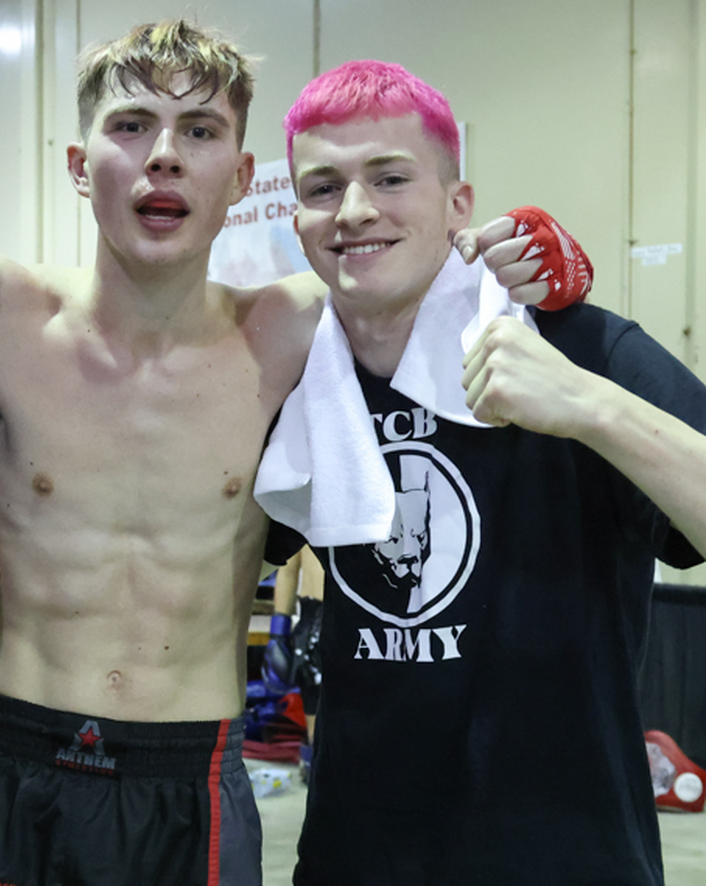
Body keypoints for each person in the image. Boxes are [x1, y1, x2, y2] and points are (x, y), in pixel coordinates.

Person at [0, 22, 573, 886]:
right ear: (80, 166)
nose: (165, 157)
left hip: (191, 782)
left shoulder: (294, 327)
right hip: (10, 764)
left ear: (241, 178)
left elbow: (446, 270)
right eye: (132, 125)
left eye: (201, 131)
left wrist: (546, 263)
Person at [253, 59, 706, 885]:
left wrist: (590, 404)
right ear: (298, 217)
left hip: (571, 862)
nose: (354, 210)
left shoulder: (578, 345)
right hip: (354, 861)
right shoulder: (295, 379)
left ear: (458, 203)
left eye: (390, 177)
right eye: (323, 187)